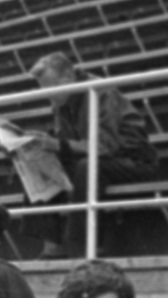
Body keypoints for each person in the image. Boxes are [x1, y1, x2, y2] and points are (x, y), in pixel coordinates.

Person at [26, 51, 157, 257]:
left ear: (69, 77)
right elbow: (69, 143)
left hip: (131, 159)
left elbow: (106, 146)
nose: (48, 95)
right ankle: (51, 244)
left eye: (51, 88)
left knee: (86, 167)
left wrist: (59, 145)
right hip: (93, 157)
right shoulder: (62, 101)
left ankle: (84, 245)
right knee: (38, 162)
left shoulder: (100, 91)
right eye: (43, 90)